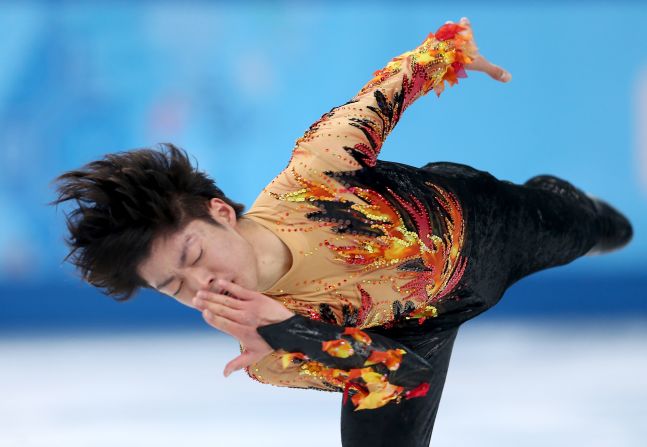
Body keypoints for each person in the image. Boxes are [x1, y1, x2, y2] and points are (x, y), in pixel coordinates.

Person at [52, 17, 633, 446]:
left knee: (603, 228)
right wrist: (289, 333)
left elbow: (387, 91)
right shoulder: (262, 349)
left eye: (194, 253)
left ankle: (560, 198)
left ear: (219, 212)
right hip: (414, 334)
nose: (202, 283)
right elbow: (404, 375)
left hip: (487, 226)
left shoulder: (318, 174)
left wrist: (449, 53)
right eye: (177, 288)